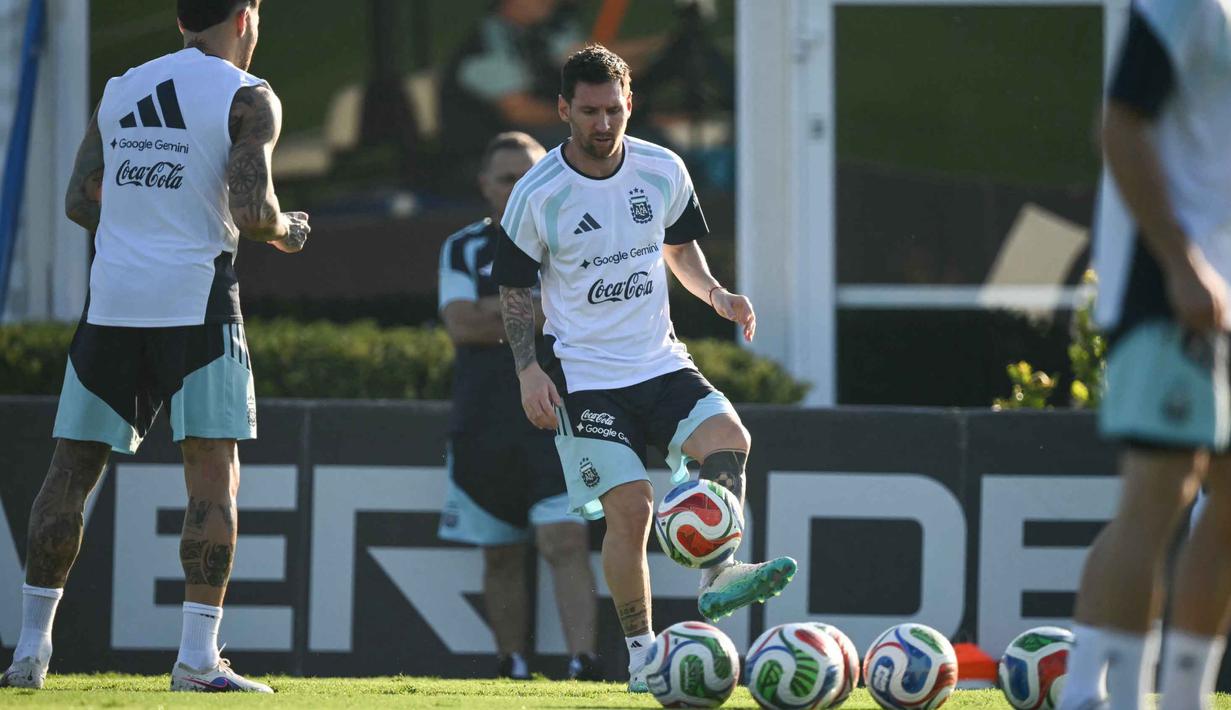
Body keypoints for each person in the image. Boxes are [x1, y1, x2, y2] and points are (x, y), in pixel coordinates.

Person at [0, 0, 309, 693]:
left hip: (112, 301)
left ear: (179, 21)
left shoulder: (123, 86)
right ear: (245, 16)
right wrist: (290, 229)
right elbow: (253, 212)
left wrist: (142, 210)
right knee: (212, 475)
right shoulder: (247, 96)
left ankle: (28, 654)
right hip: (196, 300)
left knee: (70, 471)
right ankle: (197, 660)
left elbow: (81, 201)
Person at [492, 44, 796, 693]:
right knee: (630, 509)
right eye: (588, 111)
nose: (602, 125)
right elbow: (516, 294)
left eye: (613, 110)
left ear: (630, 103)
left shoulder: (661, 169)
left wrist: (717, 294)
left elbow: (678, 248)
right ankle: (641, 657)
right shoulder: (537, 194)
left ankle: (717, 575)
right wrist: (527, 371)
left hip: (659, 362)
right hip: (584, 376)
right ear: (563, 110)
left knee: (730, 442)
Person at [1060, 1, 1231, 708]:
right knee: (1158, 496)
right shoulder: (1179, 1)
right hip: (1166, 295)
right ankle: (1109, 696)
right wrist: (1180, 263)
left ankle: (1183, 697)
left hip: (1220, 294)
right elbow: (1119, 125)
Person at [436, 131, 600, 681]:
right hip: (482, 424)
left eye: (527, 175)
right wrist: (535, 308)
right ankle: (513, 668)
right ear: (485, 185)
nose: (516, 187)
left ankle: (582, 664)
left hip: (561, 423)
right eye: (505, 177)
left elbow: (582, 319)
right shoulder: (463, 247)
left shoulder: (575, 241)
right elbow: (461, 324)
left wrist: (503, 311)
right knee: (500, 552)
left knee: (566, 541)